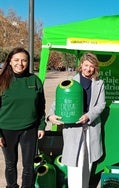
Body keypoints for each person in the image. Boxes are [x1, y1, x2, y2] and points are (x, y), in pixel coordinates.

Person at [47, 52, 106, 188]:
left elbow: (101, 105)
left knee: (88, 162)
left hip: (90, 126)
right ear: (81, 65)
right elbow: (58, 102)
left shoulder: (99, 83)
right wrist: (50, 116)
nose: (88, 69)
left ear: (95, 68)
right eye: (86, 65)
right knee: (75, 163)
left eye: (91, 66)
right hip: (73, 128)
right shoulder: (71, 82)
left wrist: (88, 116)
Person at [0, 47, 46, 188]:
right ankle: (11, 186)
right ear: (9, 61)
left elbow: (41, 107)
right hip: (7, 129)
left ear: (28, 62)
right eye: (16, 60)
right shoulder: (1, 81)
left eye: (24, 60)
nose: (20, 63)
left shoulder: (35, 80)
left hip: (29, 129)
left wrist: (41, 126)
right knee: (10, 164)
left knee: (28, 165)